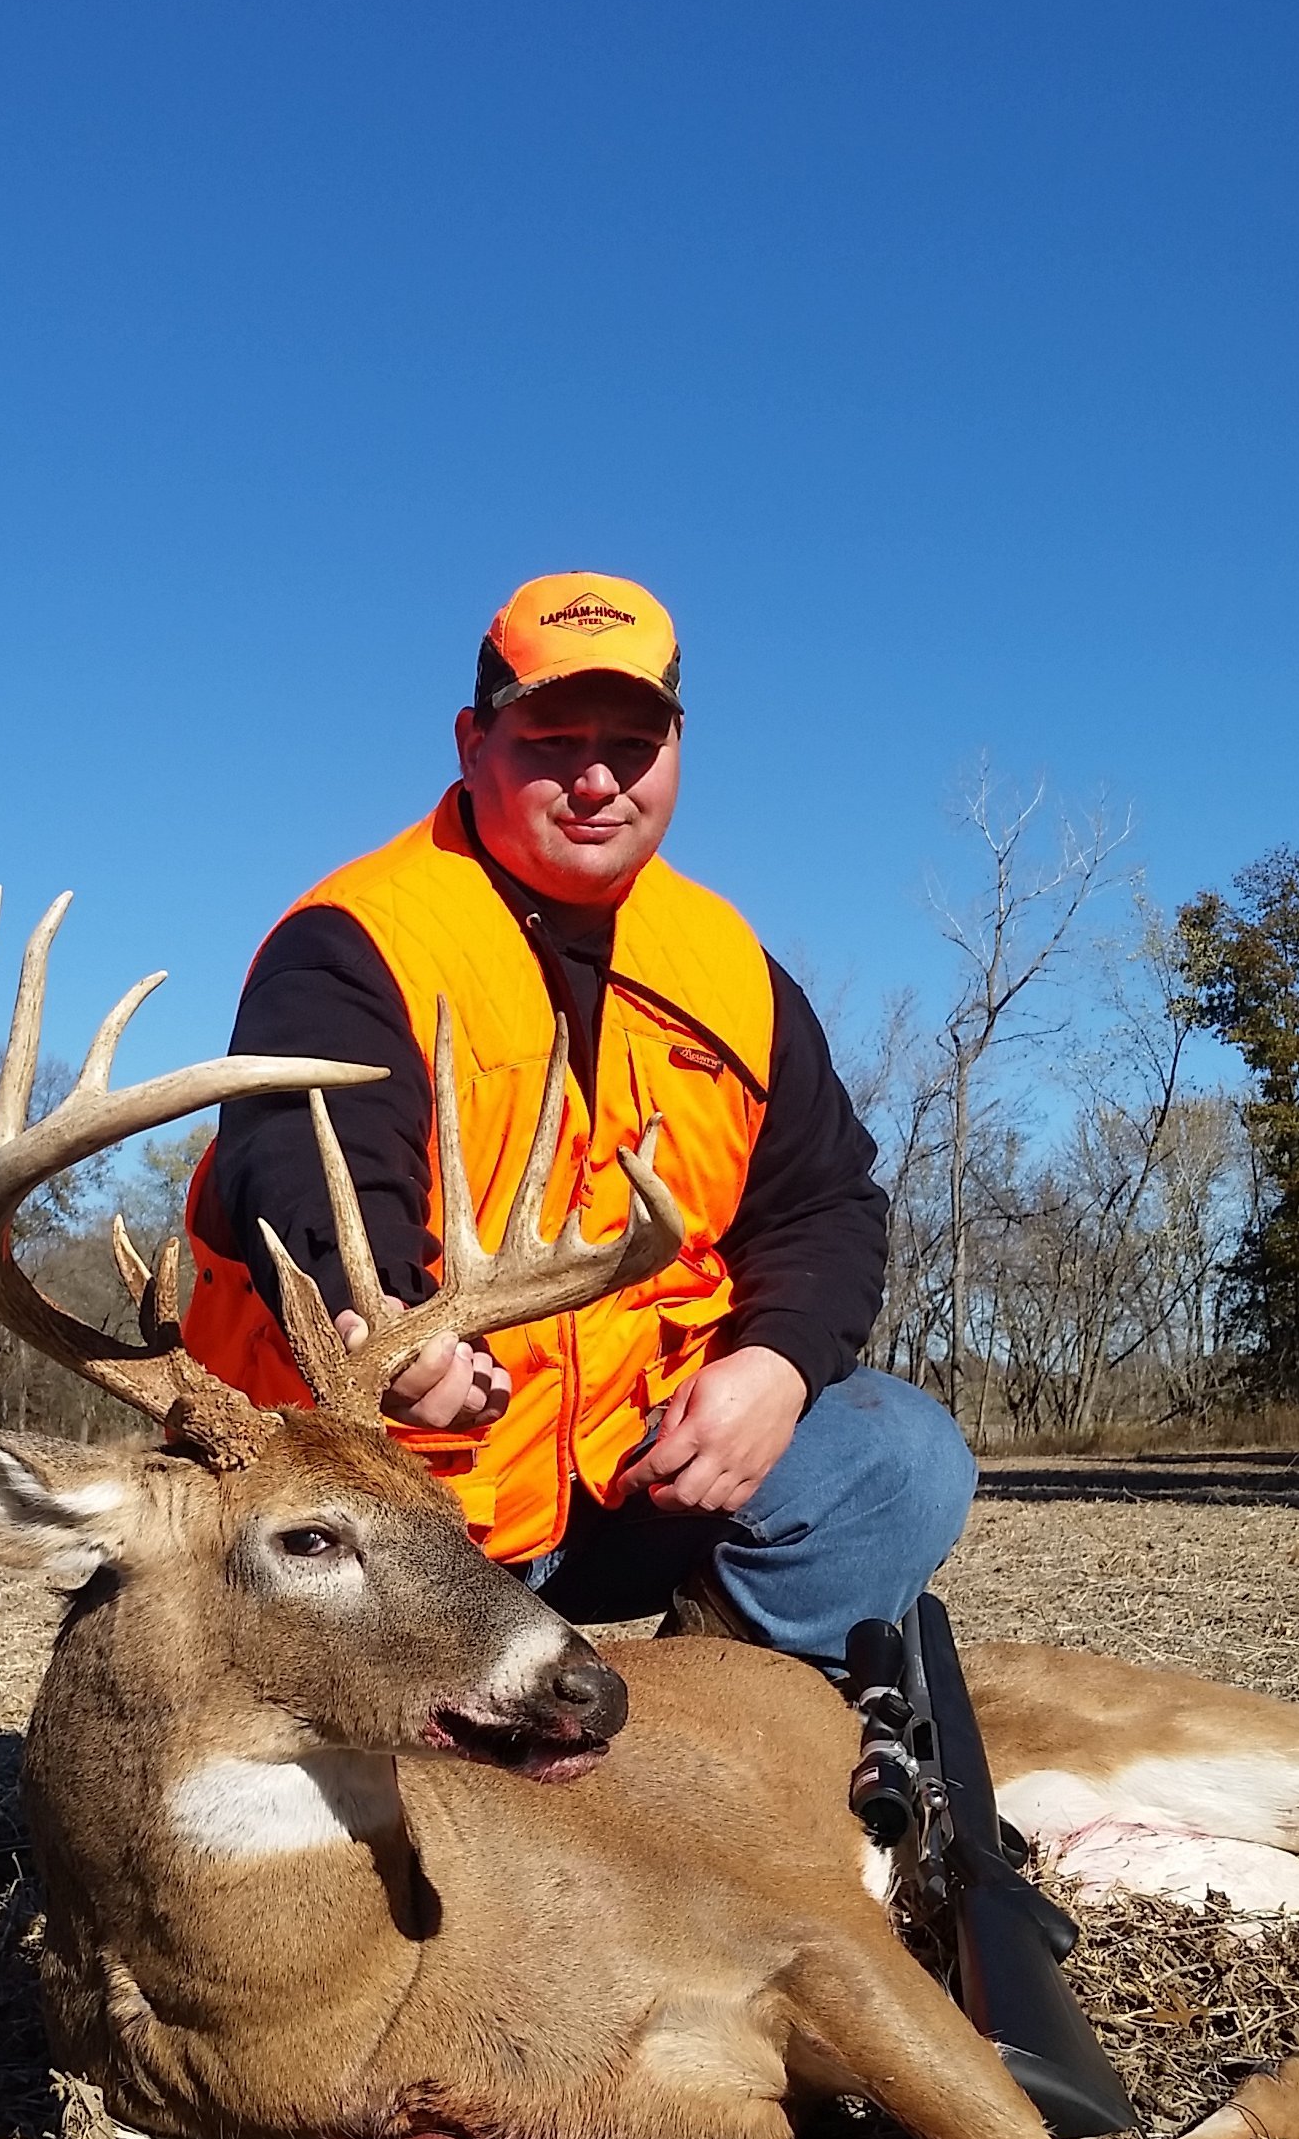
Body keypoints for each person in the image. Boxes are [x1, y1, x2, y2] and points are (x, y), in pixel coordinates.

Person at [181, 570, 974, 1672]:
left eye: (635, 744)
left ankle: (712, 1709)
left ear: (678, 748)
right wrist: (386, 1329)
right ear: (472, 743)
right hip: (403, 1498)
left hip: (632, 1469)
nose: (598, 781)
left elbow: (824, 1203)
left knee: (898, 1456)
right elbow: (306, 1162)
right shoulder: (358, 942)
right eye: (551, 740)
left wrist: (779, 1367)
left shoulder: (728, 967)